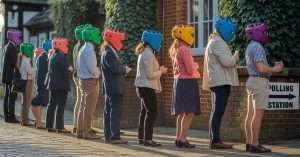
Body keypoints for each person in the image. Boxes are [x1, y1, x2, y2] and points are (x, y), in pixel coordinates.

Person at [244, 23, 284, 153]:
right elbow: (261, 68)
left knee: (250, 114)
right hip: (259, 82)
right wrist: (275, 69)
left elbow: (257, 66)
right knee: (258, 114)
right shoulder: (258, 47)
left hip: (251, 80)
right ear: (258, 33)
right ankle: (255, 144)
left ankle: (249, 143)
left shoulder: (250, 46)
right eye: (264, 32)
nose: (265, 34)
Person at [202, 16, 239, 149]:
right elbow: (227, 62)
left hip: (218, 81)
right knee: (218, 112)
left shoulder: (214, 41)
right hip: (220, 82)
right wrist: (235, 56)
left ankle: (214, 139)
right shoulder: (217, 42)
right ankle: (215, 141)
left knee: (215, 111)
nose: (232, 34)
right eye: (231, 32)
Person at [169, 25, 200, 148]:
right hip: (187, 82)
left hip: (178, 82)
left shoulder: (176, 49)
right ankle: (182, 139)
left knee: (181, 113)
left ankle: (178, 138)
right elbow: (191, 70)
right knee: (189, 112)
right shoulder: (185, 49)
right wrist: (196, 66)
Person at [135, 30, 167, 147]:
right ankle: (148, 139)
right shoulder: (148, 54)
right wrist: (161, 71)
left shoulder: (145, 52)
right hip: (146, 87)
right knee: (152, 112)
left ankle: (141, 138)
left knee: (144, 112)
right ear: (152, 41)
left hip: (143, 87)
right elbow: (150, 74)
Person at [100, 29, 131, 144]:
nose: (121, 42)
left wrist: (121, 68)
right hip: (114, 87)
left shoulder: (108, 52)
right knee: (114, 112)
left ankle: (109, 135)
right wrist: (125, 69)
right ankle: (114, 136)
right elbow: (115, 69)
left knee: (108, 111)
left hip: (110, 87)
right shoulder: (108, 53)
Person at [76, 26, 102, 139]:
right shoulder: (89, 50)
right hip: (90, 81)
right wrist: (98, 73)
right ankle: (86, 132)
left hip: (83, 80)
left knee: (83, 107)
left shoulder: (82, 48)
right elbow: (92, 69)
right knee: (89, 109)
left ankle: (80, 131)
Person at [45, 38, 71, 133]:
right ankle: (59, 127)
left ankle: (49, 125)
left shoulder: (52, 55)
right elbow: (66, 72)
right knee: (60, 106)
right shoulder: (62, 57)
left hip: (52, 85)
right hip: (61, 85)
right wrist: (70, 70)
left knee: (51, 105)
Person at [72, 24, 92, 134]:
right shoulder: (82, 46)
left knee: (80, 101)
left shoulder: (77, 45)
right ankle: (79, 125)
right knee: (81, 101)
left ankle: (78, 125)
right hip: (80, 76)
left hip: (77, 74)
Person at [2, 30, 22, 123]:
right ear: (13, 38)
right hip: (11, 76)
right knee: (12, 96)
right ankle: (11, 116)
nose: (19, 39)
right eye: (18, 37)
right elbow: (15, 63)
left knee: (7, 96)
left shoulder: (6, 46)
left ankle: (7, 116)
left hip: (6, 75)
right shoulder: (12, 48)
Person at [31, 40, 51, 129]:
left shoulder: (43, 56)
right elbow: (43, 72)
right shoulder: (44, 57)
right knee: (37, 102)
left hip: (42, 83)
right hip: (43, 83)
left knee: (42, 103)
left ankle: (38, 121)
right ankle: (38, 122)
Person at [18, 43, 34, 126]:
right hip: (27, 81)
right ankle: (25, 121)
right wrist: (34, 70)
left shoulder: (21, 58)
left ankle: (23, 120)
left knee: (23, 102)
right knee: (27, 102)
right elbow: (30, 71)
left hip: (23, 80)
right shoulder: (26, 59)